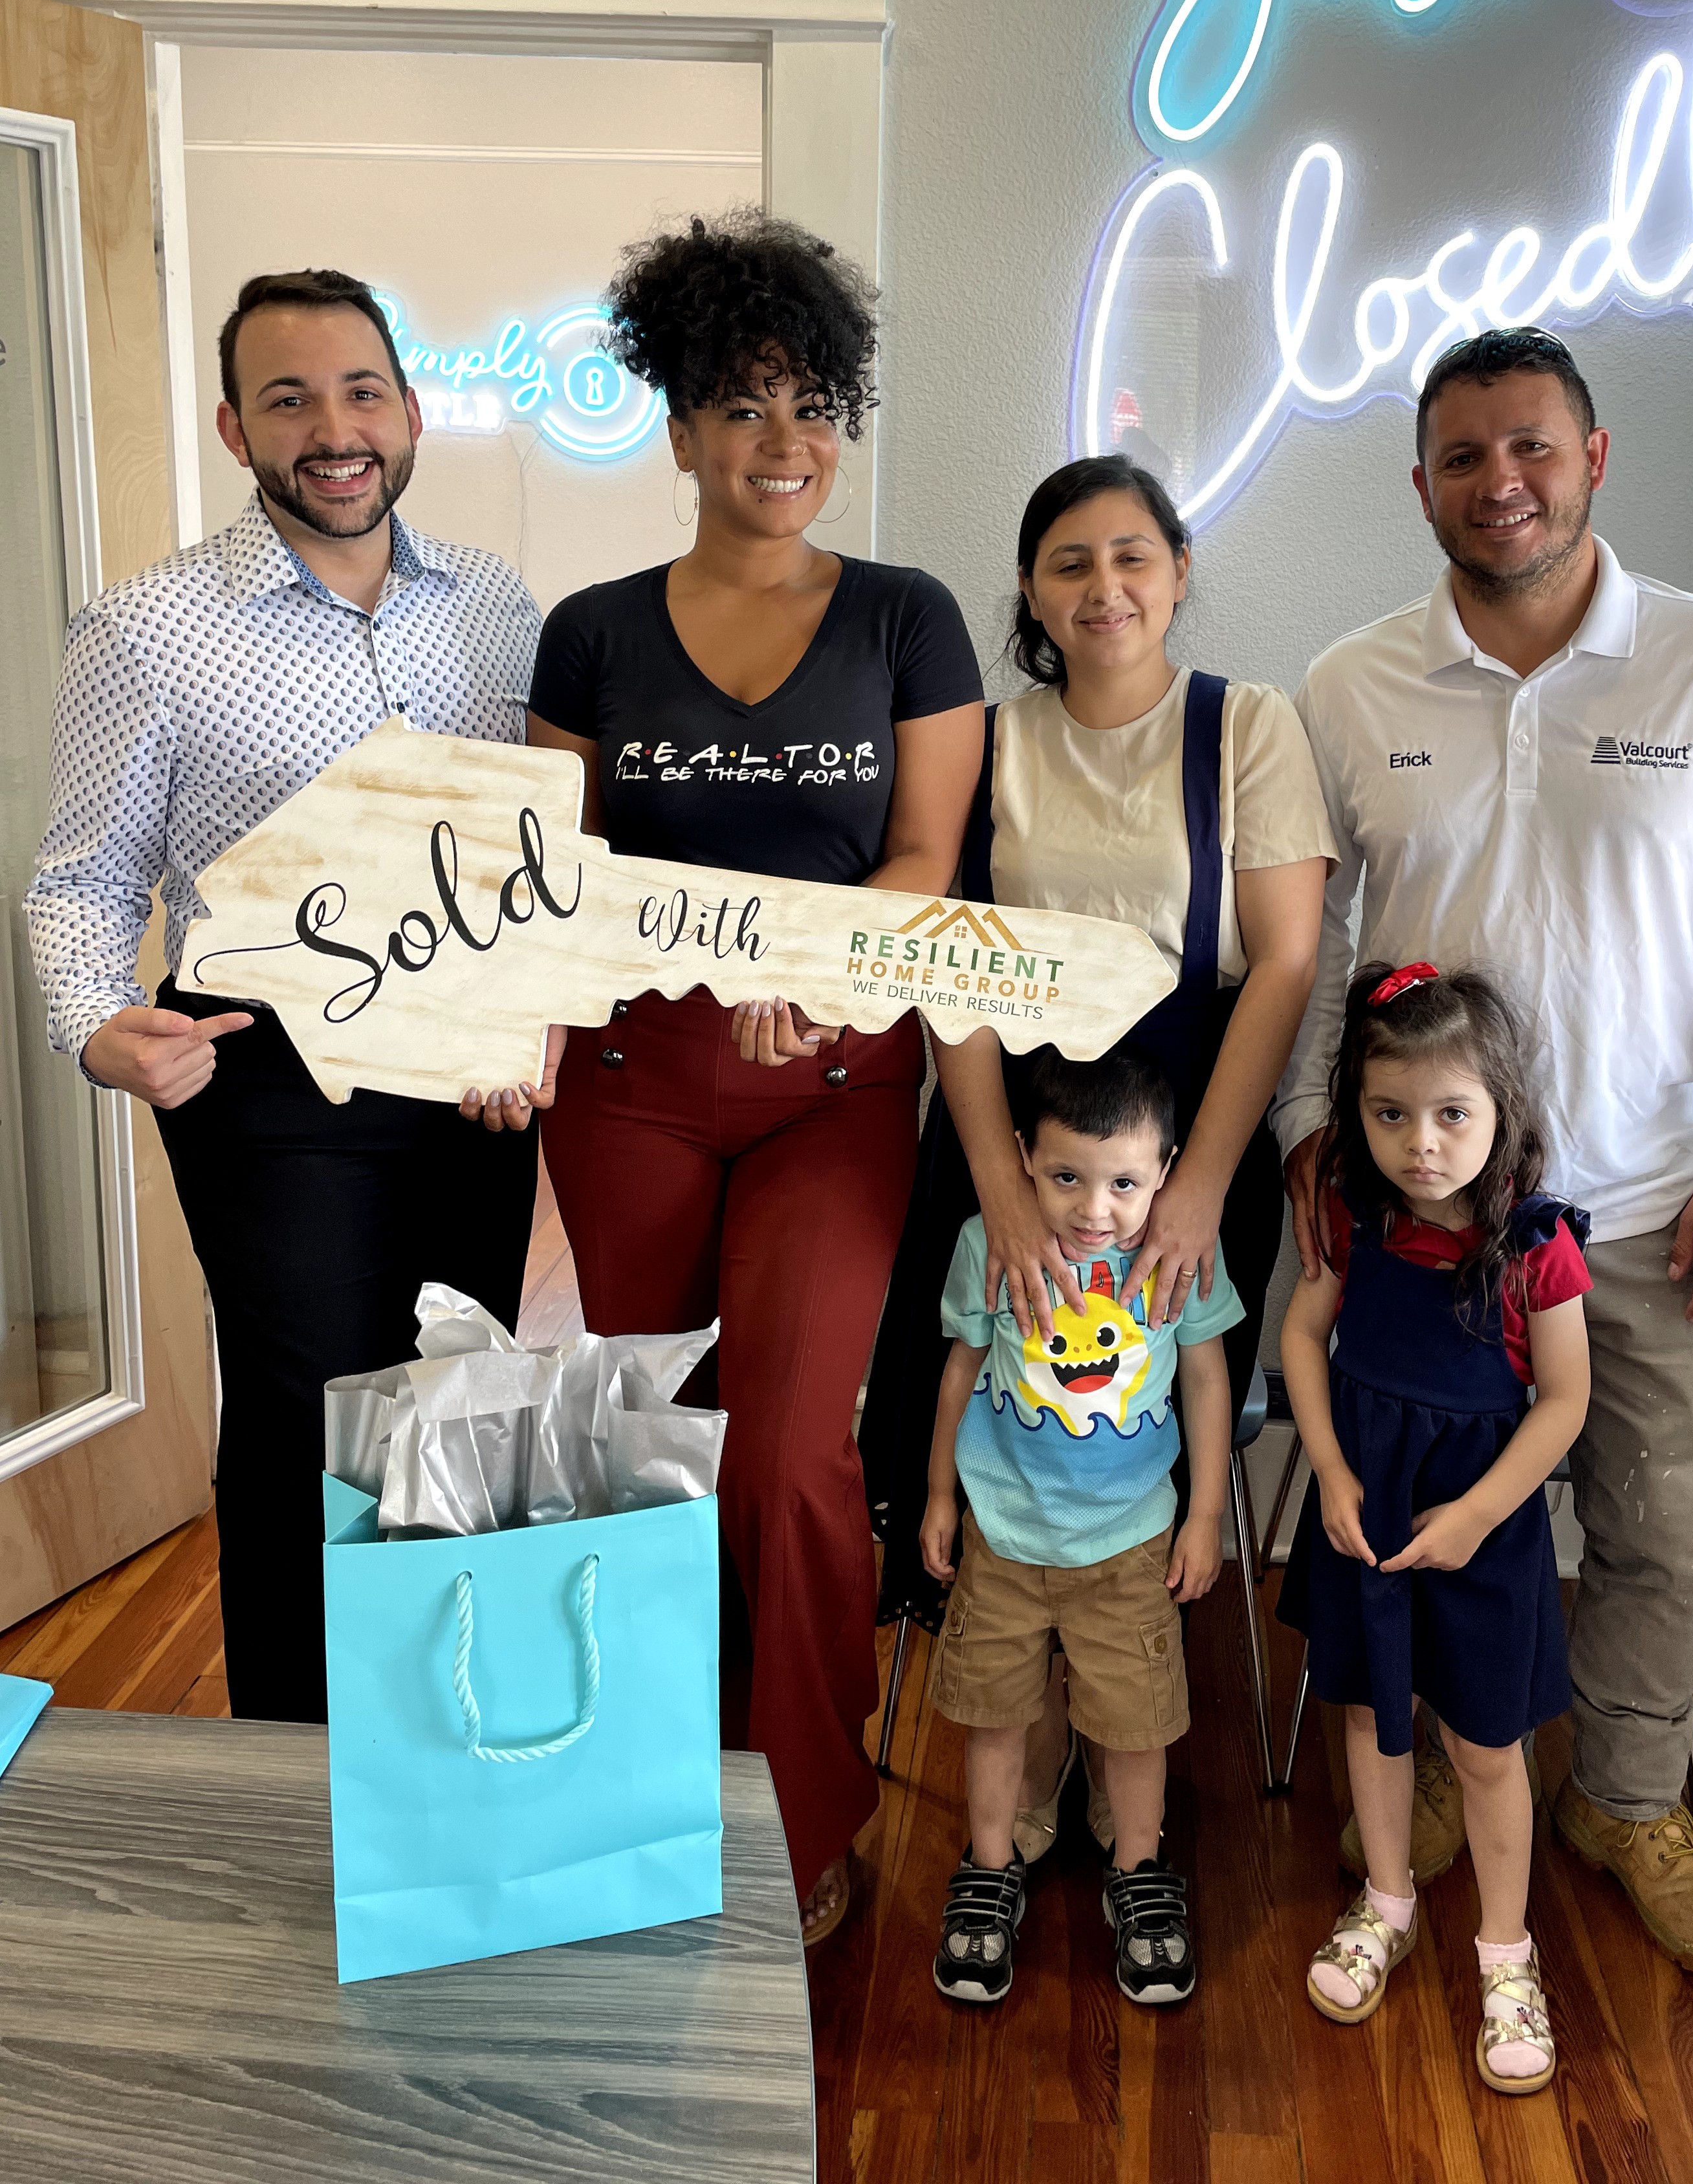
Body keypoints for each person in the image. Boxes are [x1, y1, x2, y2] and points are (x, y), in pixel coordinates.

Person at [1276, 325, 1693, 1977]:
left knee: (1658, 1530)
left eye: (1531, 447)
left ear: (1595, 457)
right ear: (1421, 484)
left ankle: (1633, 1802)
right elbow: (1320, 944)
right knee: (1433, 1508)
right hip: (1420, 1220)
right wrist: (1310, 1130)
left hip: (1646, 1203)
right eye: (1463, 456)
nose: (1498, 482)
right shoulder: (1350, 685)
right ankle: (1458, 1763)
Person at [525, 212, 984, 1947]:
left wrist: (820, 964)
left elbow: (927, 854)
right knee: (660, 1443)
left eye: (810, 407)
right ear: (679, 431)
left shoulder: (906, 618)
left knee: (790, 1451)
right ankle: (663, 1780)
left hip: (836, 1083)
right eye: (739, 406)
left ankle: (799, 1815)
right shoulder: (590, 634)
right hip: (632, 1078)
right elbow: (557, 877)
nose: (781, 442)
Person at [25, 267, 543, 1723]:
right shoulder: (146, 629)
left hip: (470, 1075)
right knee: (309, 1419)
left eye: (362, 393)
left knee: (454, 1399)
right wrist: (96, 1026)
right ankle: (298, 1770)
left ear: (410, 411)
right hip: (266, 1077)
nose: (335, 431)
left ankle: (441, 1734)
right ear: (234, 429)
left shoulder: (496, 607)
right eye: (290, 400)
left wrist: (532, 1023)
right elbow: (79, 878)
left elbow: (539, 848)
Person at [858, 452, 1334, 1859]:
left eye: (1133, 556)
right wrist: (1001, 1187)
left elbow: (1285, 963)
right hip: (1008, 1139)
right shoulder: (985, 738)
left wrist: (1197, 1191)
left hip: (1187, 1146)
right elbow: (944, 960)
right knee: (989, 1400)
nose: (1103, 586)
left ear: (1180, 573)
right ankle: (1025, 1731)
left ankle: (1126, 1723)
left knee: (1139, 1425)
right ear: (1030, 589)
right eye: (1069, 561)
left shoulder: (1247, 727)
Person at [1280, 962, 1591, 2095]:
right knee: (1372, 1712)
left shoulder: (1539, 1247)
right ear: (1357, 1113)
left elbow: (1565, 1401)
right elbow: (1304, 1339)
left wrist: (1475, 1516)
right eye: (1390, 1114)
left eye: (1452, 1114)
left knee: (1487, 1747)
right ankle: (1388, 1901)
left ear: (1501, 1107)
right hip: (1366, 1515)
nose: (1421, 1144)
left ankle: (1507, 1955)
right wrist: (1327, 1469)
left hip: (1480, 1537)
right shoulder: (1355, 1220)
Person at [924, 1051, 1240, 2008]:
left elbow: (1208, 1377)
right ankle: (989, 1867)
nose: (1095, 1210)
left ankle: (1139, 1870)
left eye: (1124, 1184)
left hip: (1130, 1543)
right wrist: (939, 1497)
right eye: (1066, 1177)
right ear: (1023, 1156)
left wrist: (1207, 1514)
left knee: (1137, 1725)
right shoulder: (988, 1244)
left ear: (1166, 1171)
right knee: (995, 1712)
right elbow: (959, 1370)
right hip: (1003, 1537)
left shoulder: (1180, 1254)